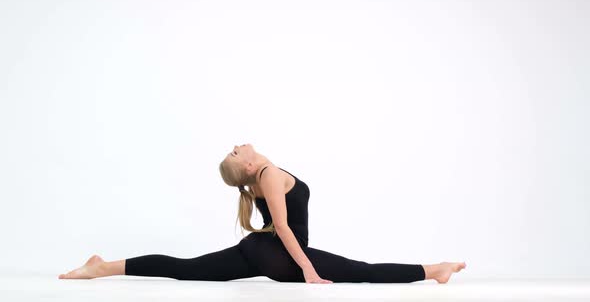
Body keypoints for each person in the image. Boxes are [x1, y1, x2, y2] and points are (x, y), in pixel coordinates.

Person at [58, 144, 466, 283]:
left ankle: (102, 267)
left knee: (184, 268)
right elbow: (285, 228)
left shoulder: (257, 178)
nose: (239, 147)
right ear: (249, 168)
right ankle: (435, 270)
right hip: (277, 254)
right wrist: (306, 268)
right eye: (237, 154)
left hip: (261, 250)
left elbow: (278, 226)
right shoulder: (268, 175)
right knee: (362, 270)